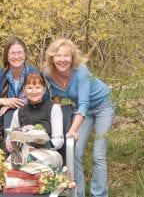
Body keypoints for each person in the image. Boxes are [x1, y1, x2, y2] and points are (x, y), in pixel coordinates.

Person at [43, 38, 115, 197]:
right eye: (58, 55)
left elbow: (83, 103)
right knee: (74, 153)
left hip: (104, 105)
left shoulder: (81, 70)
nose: (62, 59)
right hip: (84, 111)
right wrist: (58, 112)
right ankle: (78, 193)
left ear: (72, 57)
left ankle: (99, 194)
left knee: (98, 154)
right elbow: (54, 94)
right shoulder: (48, 74)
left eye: (66, 56)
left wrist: (72, 130)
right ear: (52, 58)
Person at [0, 37, 49, 145]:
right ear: (6, 56)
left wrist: (14, 104)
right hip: (2, 128)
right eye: (12, 53)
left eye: (19, 53)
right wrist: (2, 101)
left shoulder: (34, 72)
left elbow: (45, 100)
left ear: (25, 54)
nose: (16, 56)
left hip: (31, 126)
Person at [6, 73, 64, 168]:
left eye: (37, 87)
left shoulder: (54, 108)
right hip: (24, 152)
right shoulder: (18, 112)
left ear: (44, 89)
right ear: (24, 90)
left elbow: (58, 140)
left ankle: (28, 161)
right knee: (7, 164)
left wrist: (42, 147)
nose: (34, 91)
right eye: (30, 88)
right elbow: (10, 138)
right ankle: (25, 162)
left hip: (47, 154)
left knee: (48, 159)